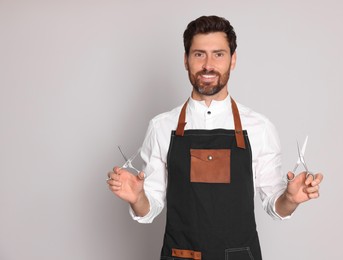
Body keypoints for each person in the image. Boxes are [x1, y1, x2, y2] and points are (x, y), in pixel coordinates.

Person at [107, 15, 323, 260]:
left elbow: (275, 205)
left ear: (233, 61)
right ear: (186, 60)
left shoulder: (260, 127)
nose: (208, 64)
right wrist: (138, 198)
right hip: (181, 254)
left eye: (218, 54)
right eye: (199, 54)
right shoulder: (161, 126)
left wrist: (290, 199)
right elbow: (151, 207)